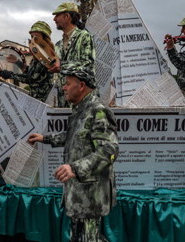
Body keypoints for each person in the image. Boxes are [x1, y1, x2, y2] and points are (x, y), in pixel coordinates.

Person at [28, 66, 118, 241]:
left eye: (68, 84)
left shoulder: (97, 110)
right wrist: (45, 138)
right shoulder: (81, 110)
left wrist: (75, 168)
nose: (64, 88)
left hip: (90, 196)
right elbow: (74, 136)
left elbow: (110, 150)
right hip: (79, 193)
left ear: (81, 85)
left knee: (88, 239)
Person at [49, 2, 96, 107]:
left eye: (57, 16)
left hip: (82, 102)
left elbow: (87, 64)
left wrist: (61, 65)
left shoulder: (84, 37)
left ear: (67, 17)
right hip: (64, 102)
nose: (54, 19)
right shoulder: (58, 45)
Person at [0, 21, 54, 102]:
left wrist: (10, 75)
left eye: (36, 36)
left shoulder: (46, 57)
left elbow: (30, 78)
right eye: (32, 36)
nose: (32, 39)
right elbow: (32, 73)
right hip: (36, 99)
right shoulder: (38, 56)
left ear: (44, 38)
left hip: (43, 101)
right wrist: (18, 62)